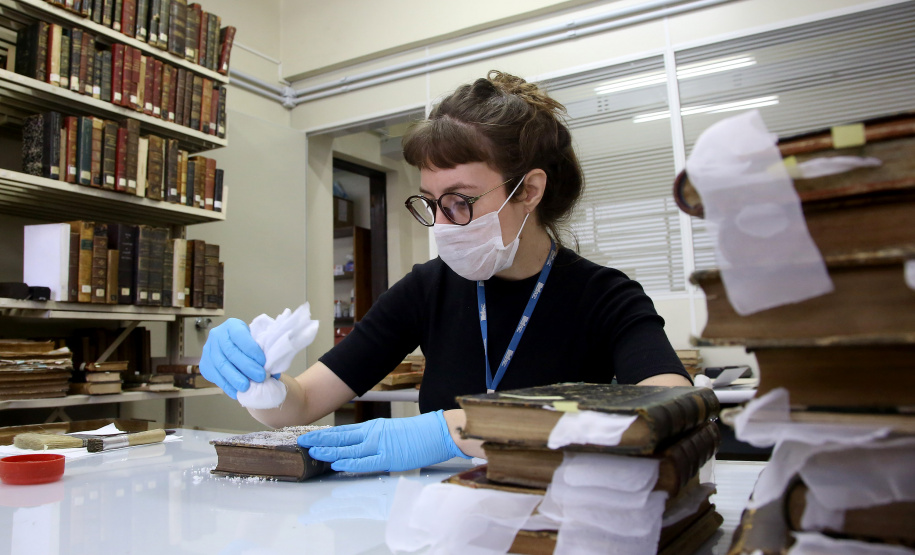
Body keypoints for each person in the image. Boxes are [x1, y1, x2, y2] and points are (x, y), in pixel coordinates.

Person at [200, 70, 692, 474]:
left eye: (460, 201)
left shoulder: (603, 296)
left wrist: (455, 430)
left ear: (529, 190)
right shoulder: (427, 288)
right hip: (441, 519)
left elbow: (670, 408)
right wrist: (260, 386)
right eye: (432, 203)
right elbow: (303, 402)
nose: (443, 223)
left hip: (561, 518)